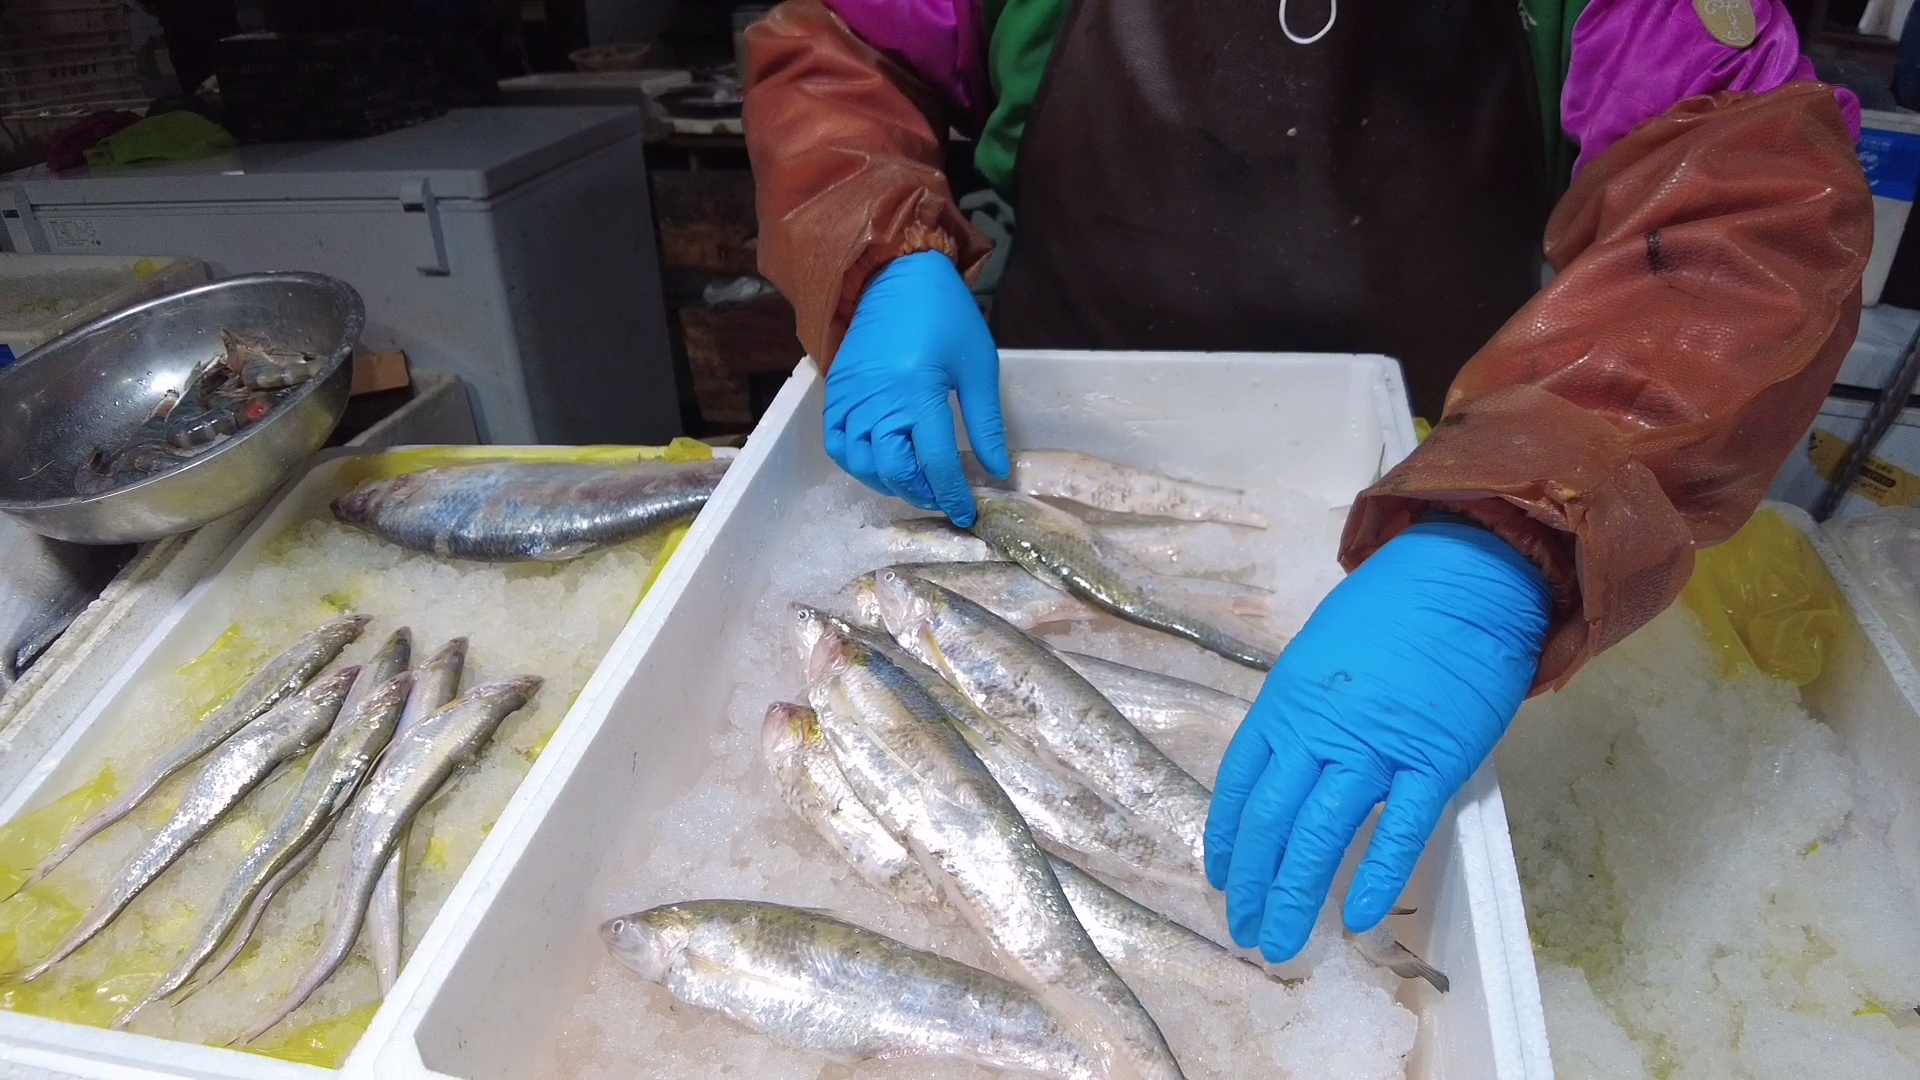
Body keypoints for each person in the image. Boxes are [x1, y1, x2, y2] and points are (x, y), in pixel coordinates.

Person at [742, 0, 1873, 964]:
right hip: (1056, 423)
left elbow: (1752, 189)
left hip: (1426, 467)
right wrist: (877, 251)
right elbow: (847, 44)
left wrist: (1521, 516)